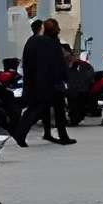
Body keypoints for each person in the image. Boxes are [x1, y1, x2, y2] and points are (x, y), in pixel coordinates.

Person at [21, 17, 75, 146]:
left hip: (41, 82)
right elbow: (58, 63)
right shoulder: (50, 43)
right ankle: (61, 136)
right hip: (52, 82)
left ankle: (47, 133)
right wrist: (65, 78)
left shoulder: (35, 41)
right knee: (57, 109)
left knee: (41, 109)